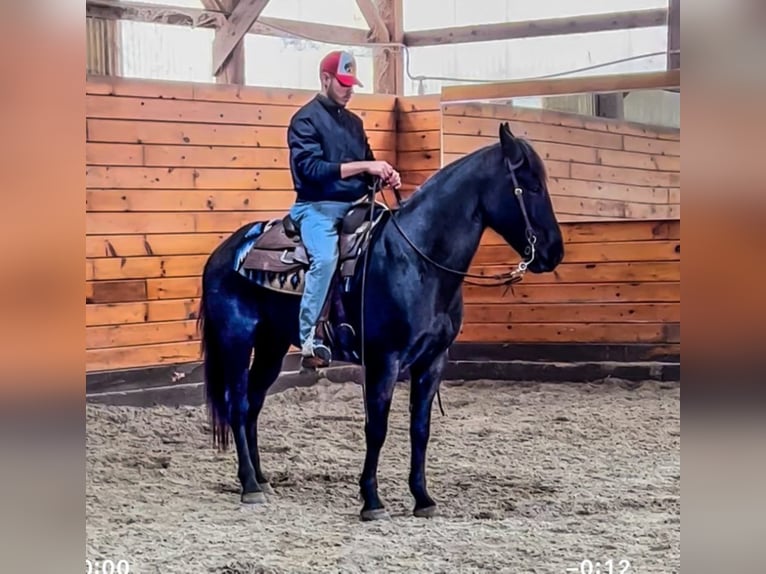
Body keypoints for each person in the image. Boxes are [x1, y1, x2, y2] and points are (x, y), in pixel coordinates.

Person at [287, 49, 401, 369]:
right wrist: (367, 164)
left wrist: (383, 174)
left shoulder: (354, 123)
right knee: (324, 259)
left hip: (357, 206)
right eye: (343, 83)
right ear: (325, 79)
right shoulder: (304, 120)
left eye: (352, 84)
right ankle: (308, 339)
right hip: (317, 208)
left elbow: (366, 166)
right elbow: (310, 169)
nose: (349, 90)